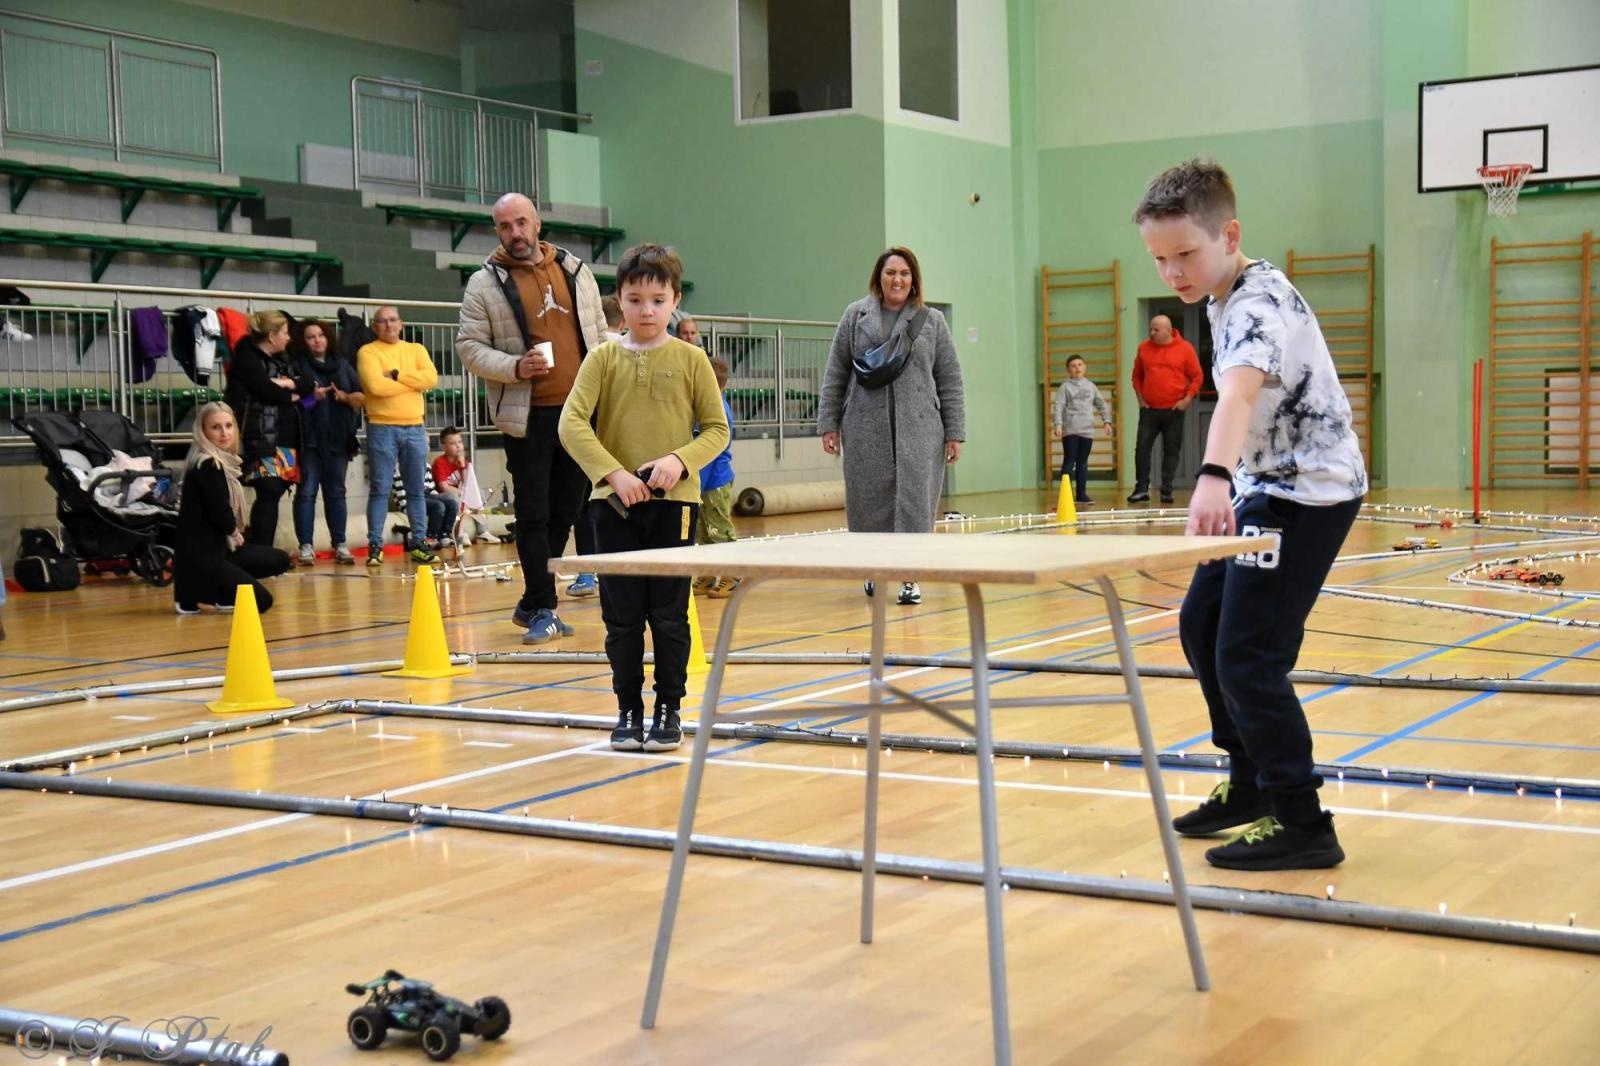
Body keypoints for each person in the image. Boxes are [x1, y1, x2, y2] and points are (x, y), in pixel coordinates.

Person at [1134, 158, 1366, 871]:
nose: (1172, 273)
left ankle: (1302, 818)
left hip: (1308, 494)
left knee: (1249, 657)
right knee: (1202, 628)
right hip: (1267, 488)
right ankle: (1250, 785)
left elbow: (1235, 395)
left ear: (1229, 234)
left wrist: (1210, 477)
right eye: (1160, 260)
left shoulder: (1257, 302)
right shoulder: (1220, 294)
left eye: (1185, 255)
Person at [558, 243, 728, 752]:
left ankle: (669, 709)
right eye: (635, 299)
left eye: (658, 299)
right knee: (622, 616)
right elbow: (571, 423)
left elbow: (716, 430)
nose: (647, 310)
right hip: (612, 509)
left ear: (674, 300)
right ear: (620, 300)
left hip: (675, 507)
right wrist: (613, 474)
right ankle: (628, 710)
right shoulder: (602, 358)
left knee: (670, 615)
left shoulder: (692, 359)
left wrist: (679, 461)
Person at [456, 192, 607, 639]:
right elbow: (468, 347)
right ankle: (543, 604)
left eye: (521, 223)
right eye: (505, 226)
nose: (515, 233)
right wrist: (515, 366)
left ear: (537, 224)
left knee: (569, 508)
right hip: (527, 418)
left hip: (579, 414)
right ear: (497, 231)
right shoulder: (482, 285)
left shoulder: (577, 272)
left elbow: (600, 336)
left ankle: (532, 598)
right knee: (534, 512)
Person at [816, 246, 965, 605]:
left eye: (904, 274)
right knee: (867, 502)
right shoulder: (855, 315)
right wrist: (828, 423)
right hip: (864, 427)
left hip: (922, 430)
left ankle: (911, 577)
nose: (897, 279)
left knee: (916, 503)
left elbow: (950, 378)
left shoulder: (932, 322)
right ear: (878, 278)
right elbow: (836, 370)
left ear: (913, 281)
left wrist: (955, 431)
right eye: (890, 273)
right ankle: (872, 567)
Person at [173, 401, 292, 615]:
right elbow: (219, 513)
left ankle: (223, 592)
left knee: (280, 559)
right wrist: (234, 532)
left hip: (221, 548)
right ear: (203, 431)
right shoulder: (208, 464)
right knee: (262, 601)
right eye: (216, 427)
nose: (224, 433)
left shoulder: (224, 462)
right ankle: (193, 592)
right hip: (202, 555)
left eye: (229, 426)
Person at [357, 306, 439, 567]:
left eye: (393, 320)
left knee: (416, 490)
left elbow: (431, 379)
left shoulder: (416, 349)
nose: (388, 325)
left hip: (415, 427)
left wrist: (396, 375)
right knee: (380, 489)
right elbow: (374, 387)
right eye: (382, 321)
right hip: (381, 427)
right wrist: (412, 383)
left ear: (401, 323)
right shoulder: (368, 351)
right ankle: (375, 546)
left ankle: (419, 542)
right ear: (374, 326)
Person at [224, 310, 310, 547]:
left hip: (286, 435)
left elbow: (307, 384)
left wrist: (286, 383)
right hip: (259, 436)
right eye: (284, 333)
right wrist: (287, 393)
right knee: (268, 490)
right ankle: (261, 548)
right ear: (272, 336)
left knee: (276, 491)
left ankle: (260, 545)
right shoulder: (246, 357)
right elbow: (264, 390)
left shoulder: (284, 357)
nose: (288, 338)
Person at [292, 318, 363, 565]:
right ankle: (306, 546)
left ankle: (340, 544)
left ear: (327, 337)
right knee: (307, 493)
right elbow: (292, 402)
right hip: (309, 439)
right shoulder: (298, 365)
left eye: (320, 335)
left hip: (338, 439)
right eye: (310, 337)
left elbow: (360, 396)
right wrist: (313, 398)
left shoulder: (342, 365)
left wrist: (344, 397)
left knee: (336, 493)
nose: (316, 340)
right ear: (304, 341)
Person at [1127, 314, 1201, 504]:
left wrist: (1187, 399)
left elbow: (1197, 377)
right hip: (1149, 409)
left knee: (1171, 450)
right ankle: (1141, 489)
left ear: (1168, 330)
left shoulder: (1185, 349)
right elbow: (1136, 377)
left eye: (1156, 329)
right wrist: (1140, 399)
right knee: (1142, 449)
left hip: (1174, 410)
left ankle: (1167, 490)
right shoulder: (1144, 348)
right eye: (1150, 329)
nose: (1151, 333)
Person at [693, 354, 738, 598]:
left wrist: (697, 484)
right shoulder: (702, 405)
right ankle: (709, 572)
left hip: (715, 481)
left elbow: (709, 452)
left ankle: (732, 574)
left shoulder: (717, 410)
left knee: (719, 528)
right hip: (702, 480)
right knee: (703, 530)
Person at [1051, 354, 1113, 507]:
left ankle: (1081, 494)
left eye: (1079, 365)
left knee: (1083, 463)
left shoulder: (1090, 386)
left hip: (1087, 430)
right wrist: (1058, 424)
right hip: (1071, 429)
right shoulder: (1065, 387)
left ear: (1085, 367)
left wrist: (1107, 421)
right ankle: (1065, 493)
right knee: (1069, 460)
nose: (1077, 368)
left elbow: (1101, 404)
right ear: (1068, 370)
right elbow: (1058, 406)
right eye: (1073, 366)